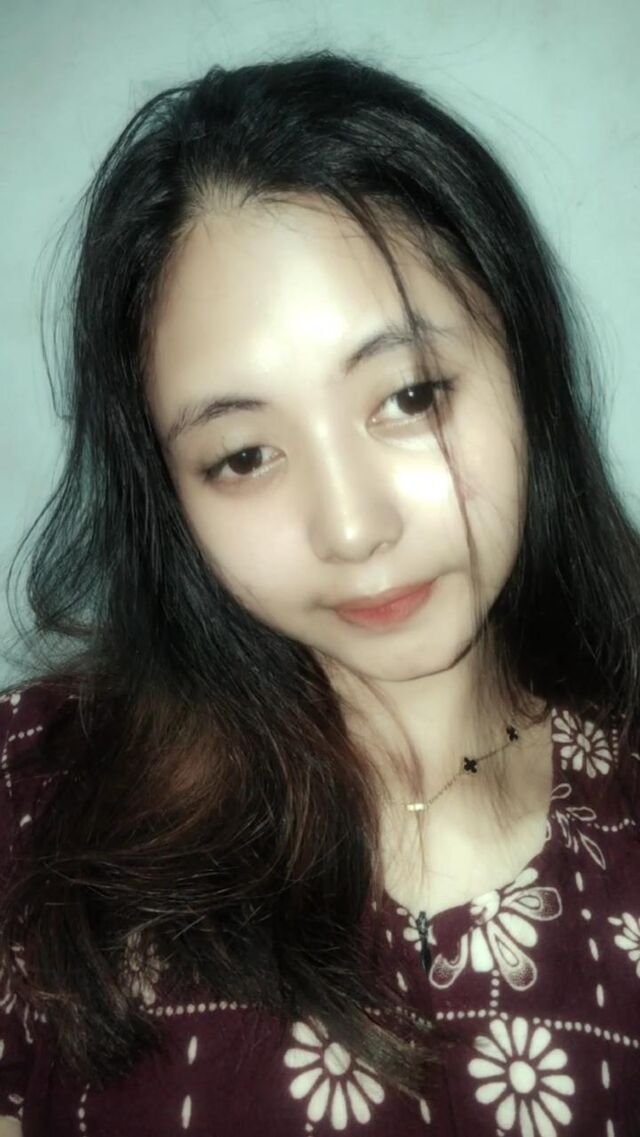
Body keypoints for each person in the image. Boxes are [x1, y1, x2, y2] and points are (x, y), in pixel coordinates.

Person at [0, 48, 639, 1136]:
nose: (352, 529)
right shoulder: (33, 799)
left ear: (524, 368)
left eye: (411, 395)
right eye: (244, 456)